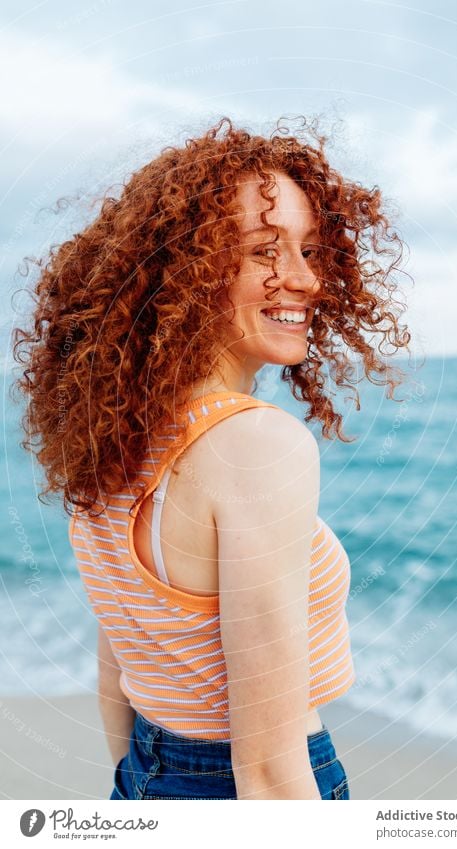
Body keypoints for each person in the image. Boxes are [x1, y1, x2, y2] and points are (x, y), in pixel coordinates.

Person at [11, 115, 411, 800]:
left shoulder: (120, 434)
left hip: (145, 770)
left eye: (310, 251)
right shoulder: (255, 445)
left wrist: (142, 797)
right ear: (186, 272)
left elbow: (121, 672)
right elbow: (267, 770)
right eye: (264, 251)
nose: (304, 279)